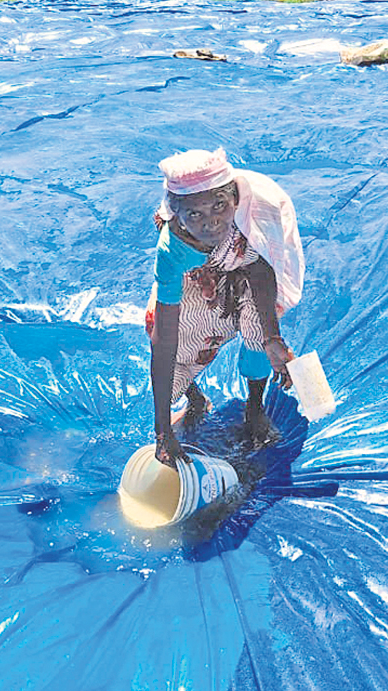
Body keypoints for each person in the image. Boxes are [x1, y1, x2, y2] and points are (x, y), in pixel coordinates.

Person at [146, 148, 305, 466]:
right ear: (177, 215)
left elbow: (261, 271)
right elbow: (164, 341)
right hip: (201, 270)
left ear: (235, 199)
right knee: (162, 327)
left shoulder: (253, 219)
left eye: (219, 205)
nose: (211, 222)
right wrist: (163, 432)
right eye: (195, 215)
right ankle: (195, 398)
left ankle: (255, 408)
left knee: (258, 328)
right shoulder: (173, 249)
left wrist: (273, 339)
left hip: (253, 266)